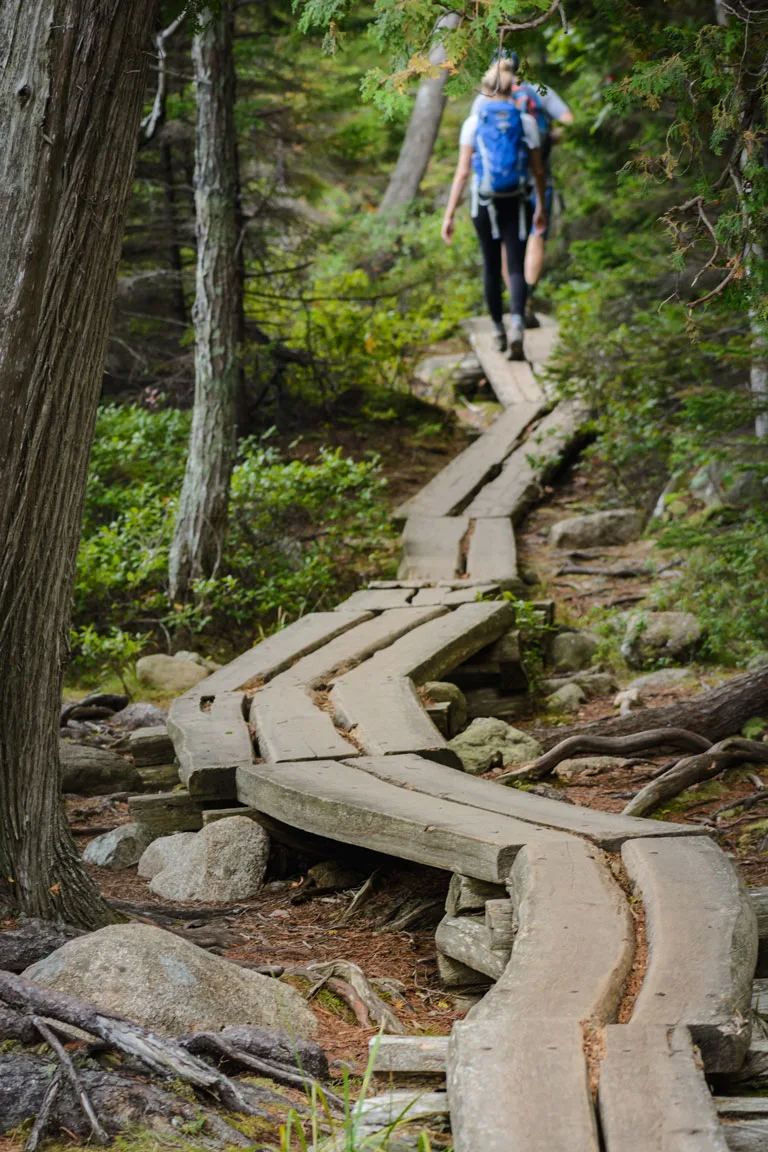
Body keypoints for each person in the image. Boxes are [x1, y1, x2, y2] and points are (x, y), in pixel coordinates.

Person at [442, 62, 547, 361]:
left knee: (490, 265)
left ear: (486, 89)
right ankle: (517, 328)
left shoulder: (474, 123)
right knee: (515, 265)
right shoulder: (525, 121)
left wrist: (449, 214)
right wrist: (540, 206)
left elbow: (463, 173)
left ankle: (498, 331)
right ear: (512, 88)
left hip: (483, 202)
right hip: (518, 199)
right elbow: (537, 170)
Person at [471, 52, 573, 326]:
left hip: (499, 187)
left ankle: (517, 303)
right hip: (537, 180)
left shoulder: (484, 99)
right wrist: (549, 138)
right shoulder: (538, 92)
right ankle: (526, 295)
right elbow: (569, 120)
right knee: (535, 237)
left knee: (508, 246)